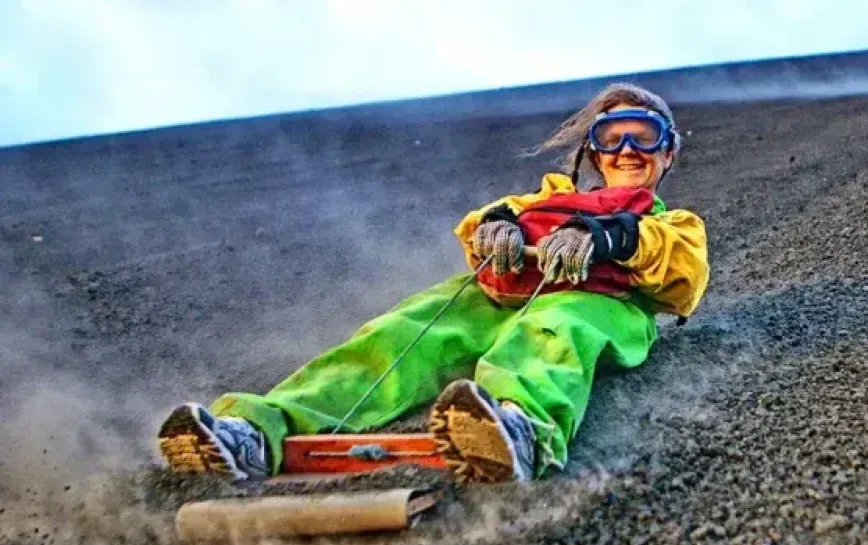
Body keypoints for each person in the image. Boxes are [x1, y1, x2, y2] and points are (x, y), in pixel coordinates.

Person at [156, 82, 710, 484]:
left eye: (645, 136)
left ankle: (519, 428)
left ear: (668, 151)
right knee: (399, 335)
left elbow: (684, 272)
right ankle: (255, 432)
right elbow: (482, 223)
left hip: (598, 302)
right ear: (594, 150)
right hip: (494, 296)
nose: (628, 151)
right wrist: (497, 228)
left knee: (553, 331)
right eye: (612, 137)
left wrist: (612, 237)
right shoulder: (542, 200)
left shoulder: (673, 224)